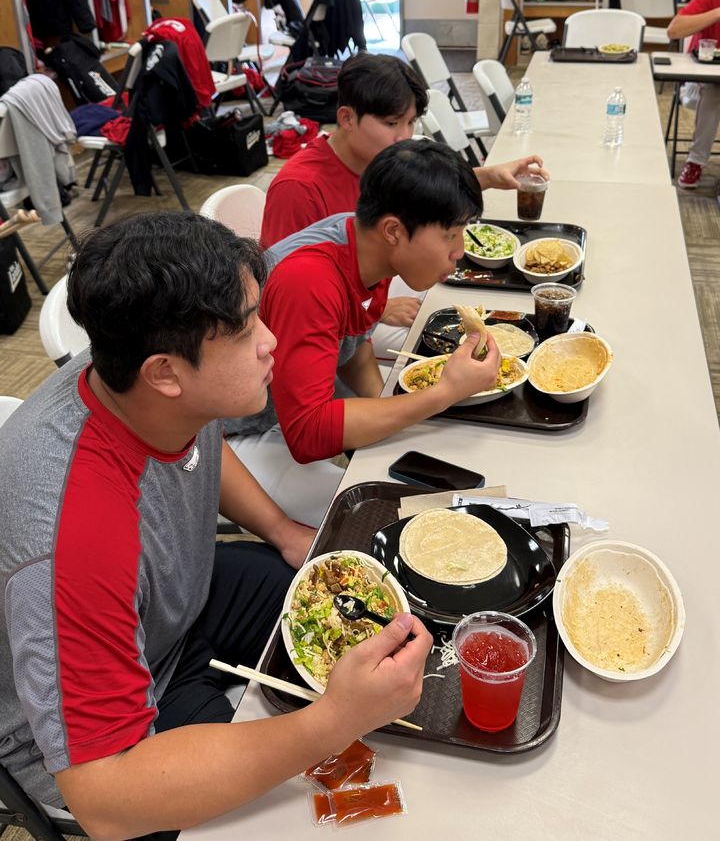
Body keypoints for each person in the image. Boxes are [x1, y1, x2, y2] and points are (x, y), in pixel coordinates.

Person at [0, 212, 433, 839]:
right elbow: (106, 798)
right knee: (310, 812)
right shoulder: (73, 540)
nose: (270, 341)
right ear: (165, 372)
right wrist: (331, 722)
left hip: (175, 607)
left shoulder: (143, 374)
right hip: (109, 743)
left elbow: (199, 437)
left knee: (344, 607)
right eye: (246, 329)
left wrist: (280, 528)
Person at [226, 139, 501, 524]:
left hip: (283, 409)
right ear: (393, 230)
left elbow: (353, 343)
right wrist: (443, 393)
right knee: (395, 518)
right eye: (449, 235)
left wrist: (386, 401)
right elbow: (308, 434)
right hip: (231, 435)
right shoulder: (309, 280)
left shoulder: (366, 244)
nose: (459, 251)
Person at [260, 52, 548, 357]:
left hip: (371, 291)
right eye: (392, 123)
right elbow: (285, 291)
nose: (404, 136)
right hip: (326, 322)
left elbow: (419, 202)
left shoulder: (376, 162)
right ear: (347, 118)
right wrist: (381, 308)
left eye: (411, 122)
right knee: (443, 337)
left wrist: (488, 176)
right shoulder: (299, 188)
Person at [668, 0, 720, 188]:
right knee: (714, 93)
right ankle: (695, 161)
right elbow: (674, 31)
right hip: (702, 76)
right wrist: (717, 13)